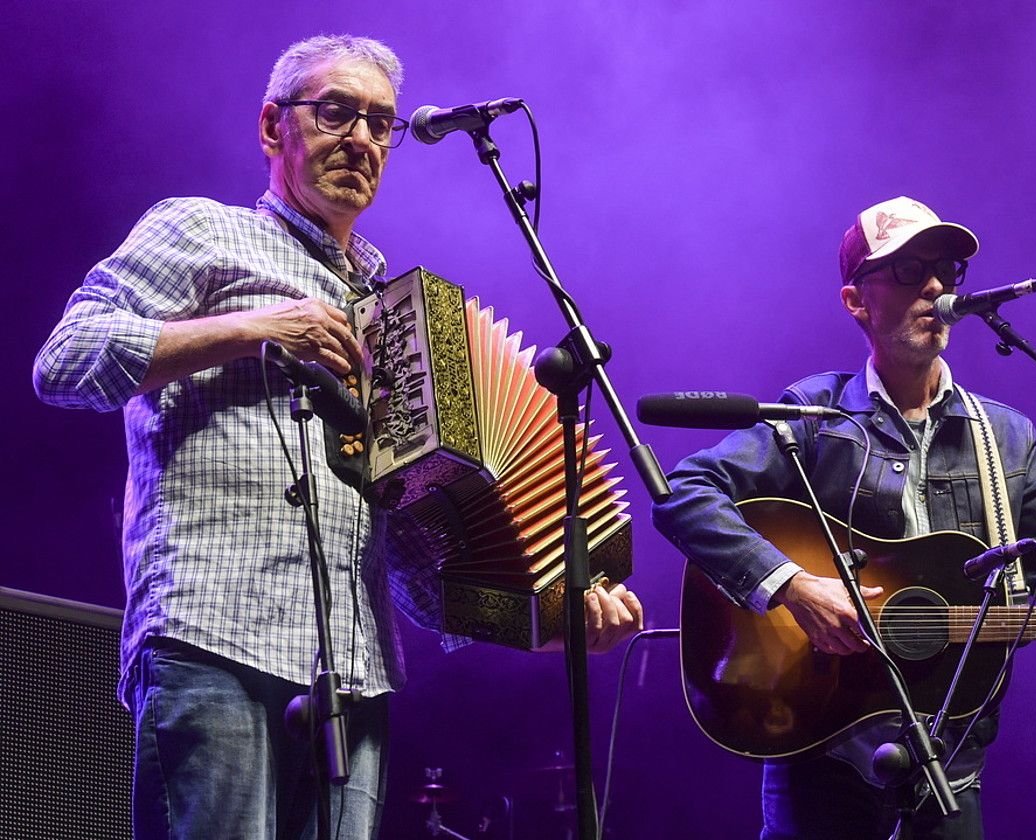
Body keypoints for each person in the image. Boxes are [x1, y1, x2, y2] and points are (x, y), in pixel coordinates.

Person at [33, 35, 643, 840]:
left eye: (380, 124)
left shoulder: (393, 317)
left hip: (352, 674)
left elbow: (413, 565)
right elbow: (65, 362)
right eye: (334, 113)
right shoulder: (202, 231)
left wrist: (549, 622)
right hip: (216, 635)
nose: (360, 138)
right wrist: (254, 328)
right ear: (270, 127)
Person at [651, 196, 1036, 839]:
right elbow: (684, 491)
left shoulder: (1004, 436)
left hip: (948, 762)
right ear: (855, 301)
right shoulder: (813, 416)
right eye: (907, 269)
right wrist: (791, 585)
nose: (936, 285)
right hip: (821, 753)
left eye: (946, 269)